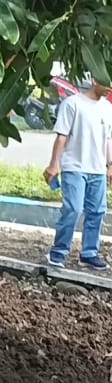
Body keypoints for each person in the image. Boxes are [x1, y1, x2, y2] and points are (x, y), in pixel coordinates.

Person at [43, 79, 112, 270]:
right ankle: (58, 252)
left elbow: (108, 139)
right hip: (74, 166)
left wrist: (110, 165)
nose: (109, 88)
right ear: (94, 80)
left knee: (97, 211)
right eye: (106, 83)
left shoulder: (108, 108)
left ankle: (89, 253)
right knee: (73, 208)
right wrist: (54, 164)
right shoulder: (72, 104)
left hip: (97, 169)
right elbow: (61, 136)